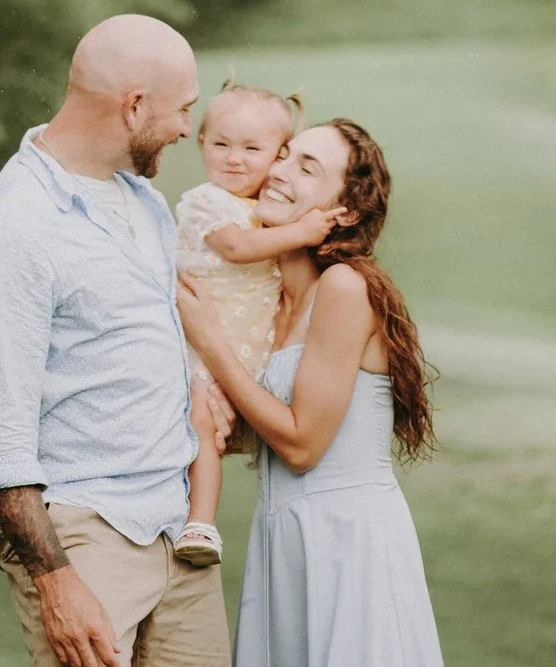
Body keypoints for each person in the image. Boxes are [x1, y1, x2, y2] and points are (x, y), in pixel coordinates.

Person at [0, 14, 232, 667]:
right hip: (85, 538)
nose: (188, 130)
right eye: (183, 110)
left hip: (177, 530)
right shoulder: (14, 229)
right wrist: (57, 582)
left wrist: (191, 385)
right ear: (134, 107)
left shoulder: (144, 203)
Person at [177, 120, 444, 667]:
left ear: (343, 212)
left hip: (346, 540)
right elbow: (251, 417)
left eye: (307, 167)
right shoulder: (269, 302)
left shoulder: (344, 287)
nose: (278, 171)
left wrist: (209, 340)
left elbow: (302, 445)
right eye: (285, 156)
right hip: (282, 535)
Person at [172, 82, 335, 569]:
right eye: (221, 144)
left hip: (242, 351)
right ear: (201, 142)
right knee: (200, 423)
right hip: (199, 351)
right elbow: (236, 249)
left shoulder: (263, 207)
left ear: (277, 155)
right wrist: (302, 231)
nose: (235, 159)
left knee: (219, 430)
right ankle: (199, 523)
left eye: (252, 148)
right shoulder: (208, 202)